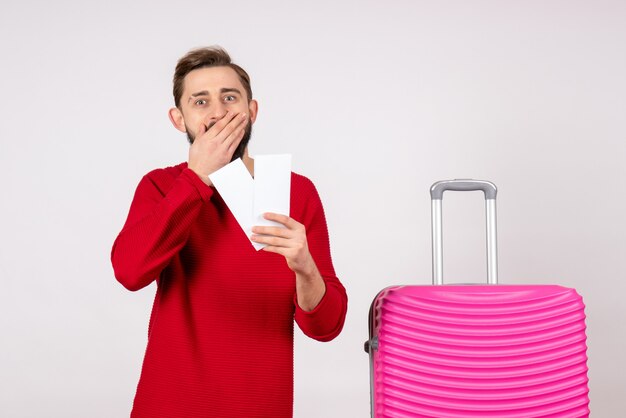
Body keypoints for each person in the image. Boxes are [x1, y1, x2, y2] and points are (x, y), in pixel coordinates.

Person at [111, 46, 348, 418]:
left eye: (229, 97)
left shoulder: (297, 192)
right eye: (200, 101)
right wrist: (197, 179)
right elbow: (129, 272)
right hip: (170, 405)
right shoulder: (161, 187)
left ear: (251, 111)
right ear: (179, 119)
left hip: (260, 405)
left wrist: (305, 268)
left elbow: (327, 326)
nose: (218, 112)